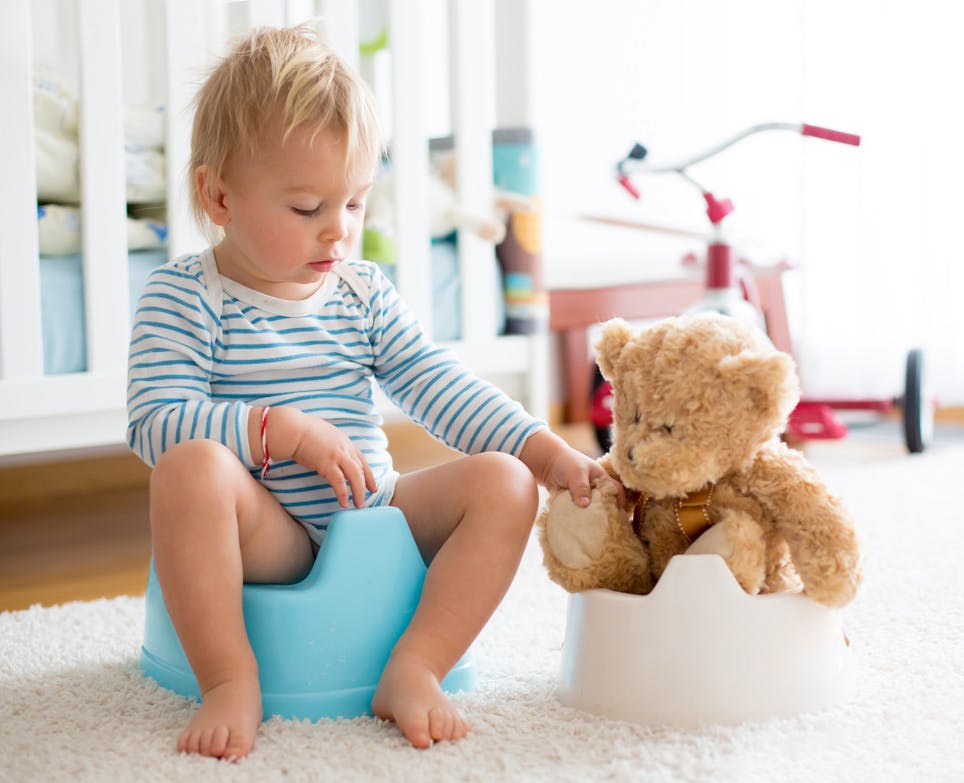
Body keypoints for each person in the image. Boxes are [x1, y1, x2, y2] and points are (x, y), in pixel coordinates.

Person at [127, 23, 617, 760]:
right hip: (269, 532)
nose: (339, 232)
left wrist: (541, 450)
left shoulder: (360, 292)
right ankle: (230, 676)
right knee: (189, 470)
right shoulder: (186, 296)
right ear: (217, 195)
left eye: (354, 204)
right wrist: (277, 430)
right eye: (306, 209)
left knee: (504, 485)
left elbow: (434, 380)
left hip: (375, 511)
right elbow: (156, 424)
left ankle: (415, 664)